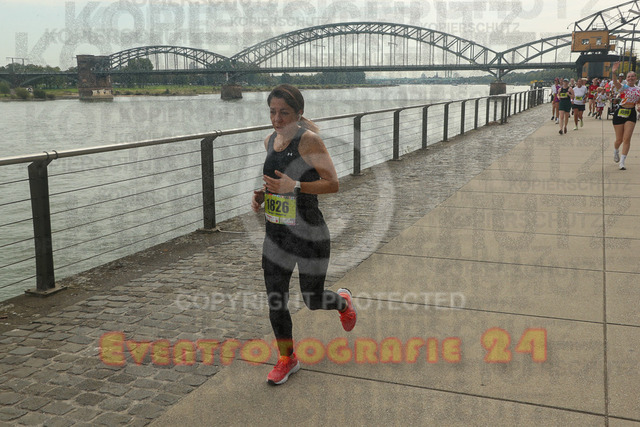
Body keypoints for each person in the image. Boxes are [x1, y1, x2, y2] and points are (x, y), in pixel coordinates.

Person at [251, 84, 357, 385]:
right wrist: (262, 195)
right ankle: (288, 359)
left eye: (284, 113)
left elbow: (332, 183)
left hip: (309, 233)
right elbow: (276, 182)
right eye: (272, 112)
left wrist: (295, 186)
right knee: (276, 300)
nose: (277, 119)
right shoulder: (269, 141)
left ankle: (343, 302)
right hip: (276, 235)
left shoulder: (309, 141)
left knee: (312, 298)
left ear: (299, 113)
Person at [611, 63, 640, 170]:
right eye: (629, 76)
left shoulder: (638, 89)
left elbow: (639, 102)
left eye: (633, 76)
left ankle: (622, 162)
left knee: (627, 138)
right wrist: (614, 73)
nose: (631, 78)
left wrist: (639, 106)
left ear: (636, 78)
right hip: (620, 112)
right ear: (626, 79)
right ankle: (616, 150)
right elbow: (615, 83)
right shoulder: (624, 87)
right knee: (619, 139)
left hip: (631, 113)